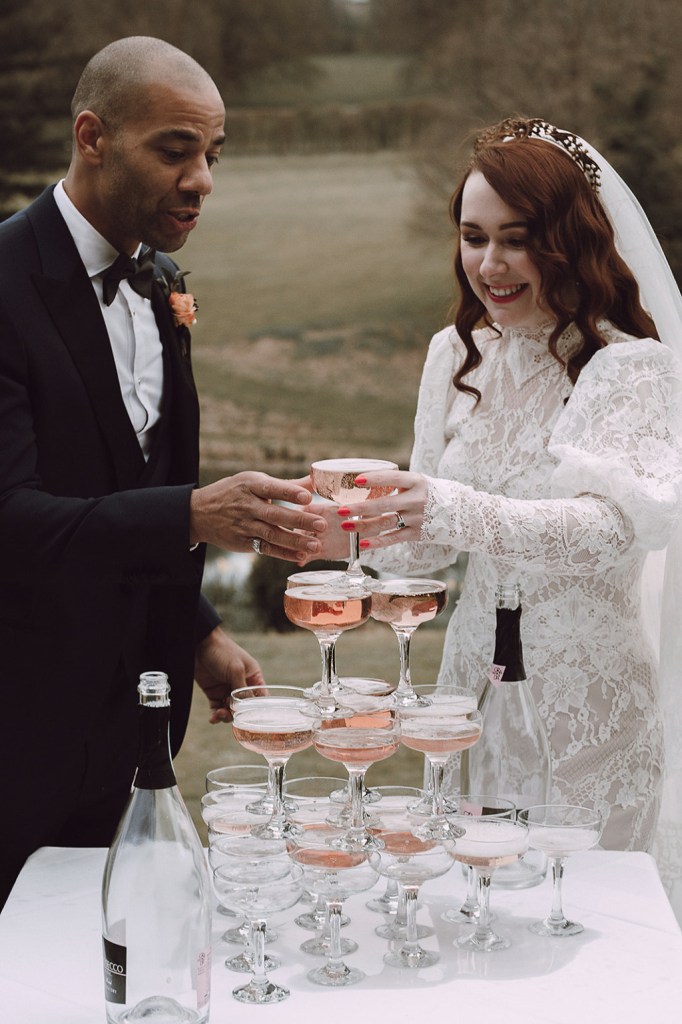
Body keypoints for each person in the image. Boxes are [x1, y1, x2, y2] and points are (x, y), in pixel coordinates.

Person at [308, 117, 682, 909]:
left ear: (570, 241)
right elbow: (421, 555)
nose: (489, 264)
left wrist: (445, 505)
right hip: (471, 706)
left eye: (516, 239)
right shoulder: (455, 355)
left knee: (587, 924)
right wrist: (347, 521)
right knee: (485, 913)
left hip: (592, 710)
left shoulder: (628, 368)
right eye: (473, 237)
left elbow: (611, 531)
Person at [0, 36, 327, 910]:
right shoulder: (3, 284)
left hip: (134, 731)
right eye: (174, 150)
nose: (202, 180)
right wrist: (193, 512)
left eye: (212, 155)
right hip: (18, 730)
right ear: (92, 135)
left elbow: (133, 475)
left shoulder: (160, 283)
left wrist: (196, 632)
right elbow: (14, 519)